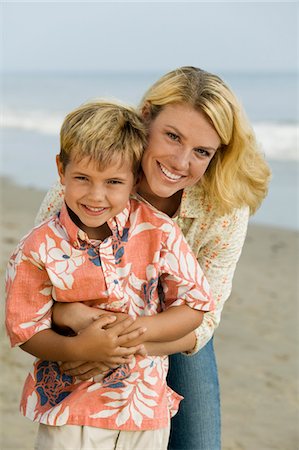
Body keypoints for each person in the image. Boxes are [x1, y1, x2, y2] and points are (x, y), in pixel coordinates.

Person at [34, 66, 271, 450]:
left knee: (199, 444)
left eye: (201, 152)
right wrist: (85, 341)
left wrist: (119, 347)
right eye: (172, 136)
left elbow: (205, 315)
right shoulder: (93, 181)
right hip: (88, 321)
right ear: (146, 118)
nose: (180, 161)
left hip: (175, 328)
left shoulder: (224, 209)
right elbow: (42, 283)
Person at [5, 100, 214, 450]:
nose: (96, 195)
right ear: (61, 170)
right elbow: (26, 329)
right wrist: (75, 348)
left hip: (144, 405)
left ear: (134, 178)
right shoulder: (37, 247)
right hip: (71, 407)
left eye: (114, 181)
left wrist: (135, 333)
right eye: (82, 179)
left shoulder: (159, 232)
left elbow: (195, 306)